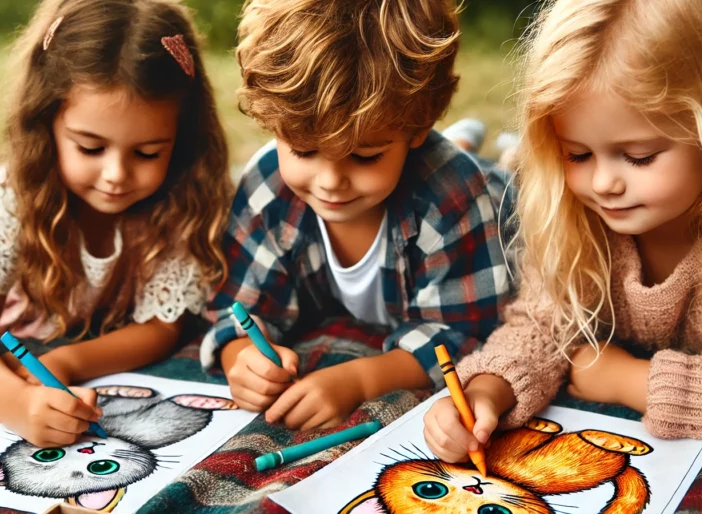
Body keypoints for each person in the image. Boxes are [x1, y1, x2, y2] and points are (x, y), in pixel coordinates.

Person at [424, 0, 702, 461]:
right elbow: (541, 324)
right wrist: (487, 391)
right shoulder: (574, 211)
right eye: (577, 154)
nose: (602, 183)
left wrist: (629, 381)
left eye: (638, 156)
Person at [0, 0, 232, 448]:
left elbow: (160, 328)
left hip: (27, 302)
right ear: (46, 124)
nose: (117, 174)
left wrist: (64, 362)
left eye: (147, 153)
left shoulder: (181, 202)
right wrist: (15, 403)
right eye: (90, 148)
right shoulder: (14, 194)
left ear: (182, 139)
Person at [203, 0, 512, 430]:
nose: (330, 182)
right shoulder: (267, 186)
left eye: (364, 157)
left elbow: (464, 333)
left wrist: (360, 380)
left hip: (497, 201)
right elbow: (238, 309)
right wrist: (242, 357)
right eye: (305, 150)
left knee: (503, 176)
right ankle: (463, 137)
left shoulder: (452, 197)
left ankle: (482, 147)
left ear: (417, 127)